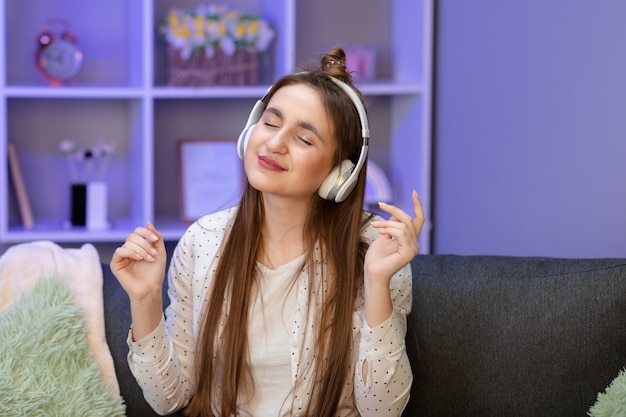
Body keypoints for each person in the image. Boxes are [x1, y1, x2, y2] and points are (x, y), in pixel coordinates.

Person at [111, 47, 424, 417]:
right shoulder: (204, 240)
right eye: (271, 123)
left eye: (304, 139)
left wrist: (376, 281)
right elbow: (170, 399)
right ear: (250, 131)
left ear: (341, 173)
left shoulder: (376, 252)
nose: (274, 144)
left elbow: (382, 411)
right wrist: (145, 299)